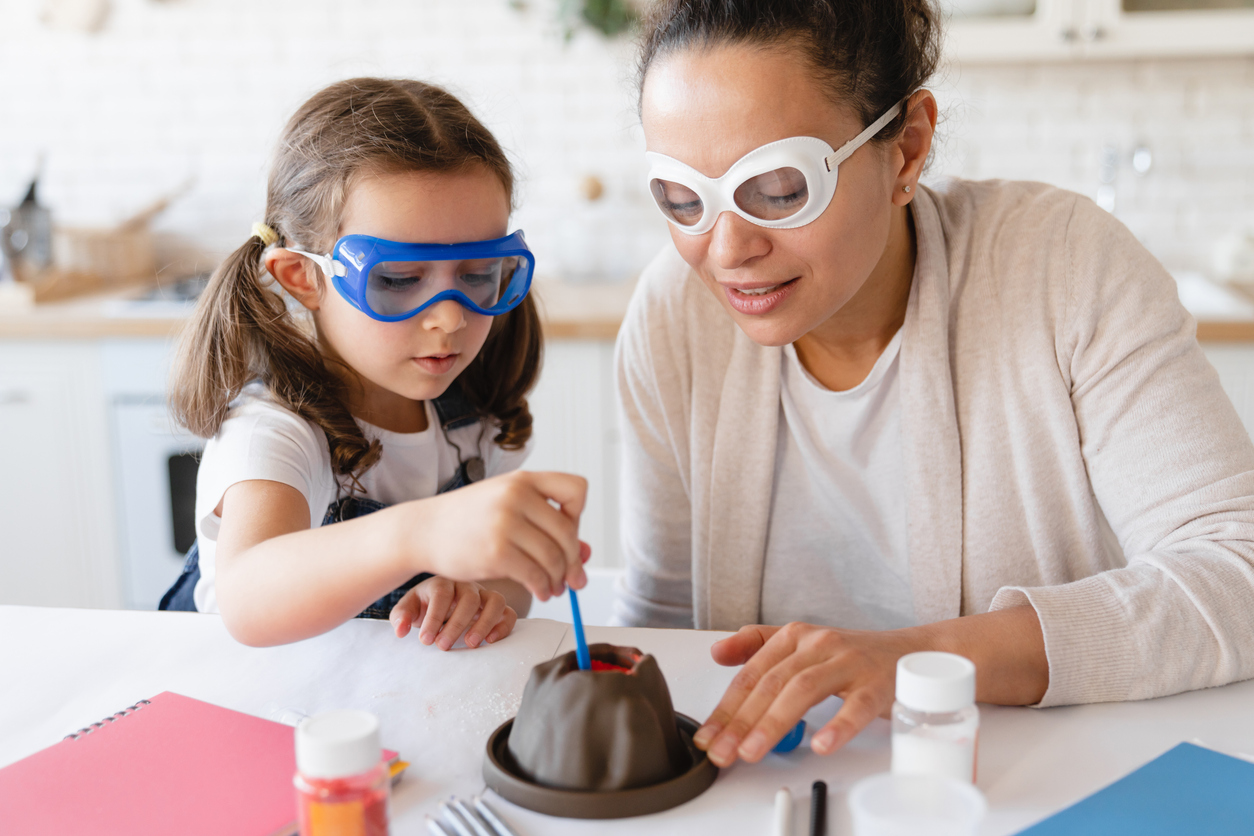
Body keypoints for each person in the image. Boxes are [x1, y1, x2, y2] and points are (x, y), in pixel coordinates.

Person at [615, 0, 1254, 769]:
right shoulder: (674, 314)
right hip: (776, 789)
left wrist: (919, 660)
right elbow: (661, 631)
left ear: (908, 148)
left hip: (1044, 784)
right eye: (682, 200)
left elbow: (1238, 573)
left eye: (779, 187)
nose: (727, 249)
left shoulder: (1063, 267)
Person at [160, 78, 589, 649]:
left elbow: (506, 577)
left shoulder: (473, 411)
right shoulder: (274, 430)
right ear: (303, 276)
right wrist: (420, 534)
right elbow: (247, 597)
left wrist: (476, 596)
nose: (449, 320)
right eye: (399, 280)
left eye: (478, 273)